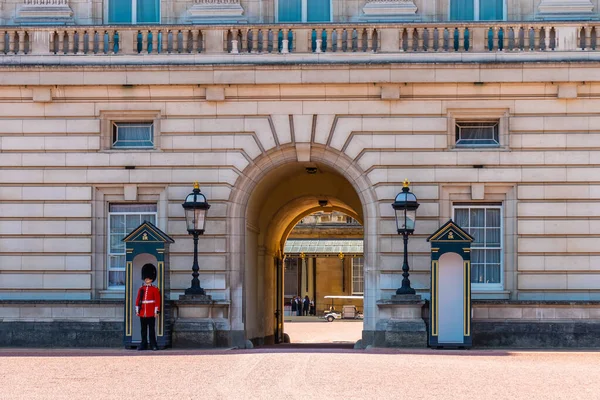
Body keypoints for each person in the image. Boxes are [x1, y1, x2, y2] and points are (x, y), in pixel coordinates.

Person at [135, 263, 161, 351]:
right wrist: (137, 310)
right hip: (143, 312)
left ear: (151, 279)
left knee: (151, 330)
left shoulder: (155, 289)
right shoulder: (141, 289)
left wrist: (156, 311)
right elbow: (138, 300)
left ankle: (153, 344)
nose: (147, 279)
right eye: (146, 278)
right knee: (143, 330)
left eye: (149, 278)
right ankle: (143, 344)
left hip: (150, 312)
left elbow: (157, 301)